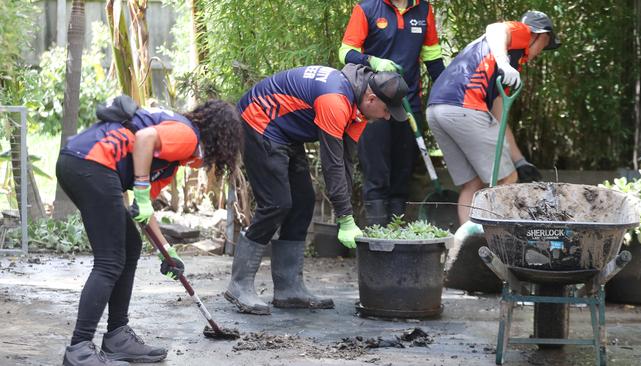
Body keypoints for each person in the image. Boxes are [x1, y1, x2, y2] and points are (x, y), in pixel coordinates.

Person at [57, 97, 242, 365]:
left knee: (130, 246)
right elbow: (144, 138)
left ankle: (117, 336)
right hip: (91, 163)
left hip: (81, 162)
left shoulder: (171, 160)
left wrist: (167, 251)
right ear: (218, 140)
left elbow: (144, 213)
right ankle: (80, 349)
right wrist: (141, 191)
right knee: (110, 260)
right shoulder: (187, 135)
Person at [225, 64, 408, 315]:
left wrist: (348, 217)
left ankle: (289, 288)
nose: (387, 117)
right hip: (258, 121)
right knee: (276, 204)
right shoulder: (335, 100)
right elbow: (331, 165)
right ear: (371, 97)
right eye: (387, 110)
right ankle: (239, 284)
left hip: (285, 132)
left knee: (303, 202)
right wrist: (344, 218)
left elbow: (345, 161)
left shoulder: (361, 110)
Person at [426, 10, 560, 224]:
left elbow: (499, 118)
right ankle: (495, 241)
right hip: (464, 107)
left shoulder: (502, 65)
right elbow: (495, 29)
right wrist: (504, 62)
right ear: (541, 36)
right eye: (544, 45)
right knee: (507, 179)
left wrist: (520, 161)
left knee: (473, 184)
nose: (540, 52)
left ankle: (465, 245)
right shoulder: (521, 34)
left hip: (437, 109)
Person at [339, 0, 445, 225]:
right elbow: (346, 52)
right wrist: (373, 61)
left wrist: (449, 88)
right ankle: (376, 234)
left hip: (408, 104)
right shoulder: (366, 9)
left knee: (402, 173)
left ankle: (397, 234)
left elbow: (433, 56)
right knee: (376, 173)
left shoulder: (424, 10)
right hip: (373, 103)